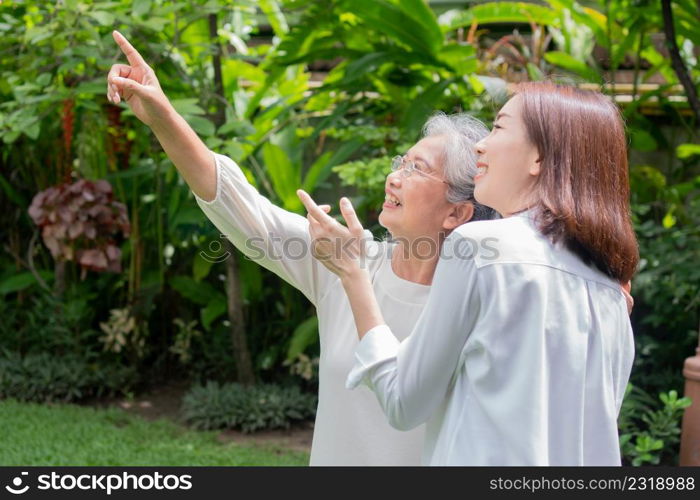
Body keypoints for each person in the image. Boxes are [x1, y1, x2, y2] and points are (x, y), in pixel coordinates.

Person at [105, 30, 496, 465]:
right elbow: (241, 209)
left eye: (417, 169)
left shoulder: (479, 300)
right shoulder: (348, 258)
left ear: (457, 214)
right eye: (399, 162)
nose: (395, 177)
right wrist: (160, 114)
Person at [298, 82, 639, 465]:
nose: (480, 145)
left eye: (498, 127)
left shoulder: (478, 247)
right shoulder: (610, 287)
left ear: (538, 159)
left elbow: (403, 402)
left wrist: (354, 273)